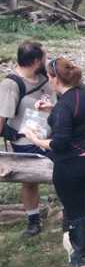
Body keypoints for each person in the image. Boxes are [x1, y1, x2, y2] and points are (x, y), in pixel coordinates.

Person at [23, 57, 85, 267]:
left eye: (48, 77)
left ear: (54, 79)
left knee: (73, 210)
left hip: (73, 164)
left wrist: (34, 138)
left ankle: (83, 261)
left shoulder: (64, 106)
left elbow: (60, 143)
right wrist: (53, 109)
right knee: (83, 201)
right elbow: (77, 118)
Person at [0, 41, 54, 237]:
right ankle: (33, 220)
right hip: (25, 143)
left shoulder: (46, 78)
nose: (47, 59)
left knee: (64, 175)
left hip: (51, 138)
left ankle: (71, 215)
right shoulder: (11, 84)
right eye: (45, 57)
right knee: (30, 181)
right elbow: (1, 117)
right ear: (36, 60)